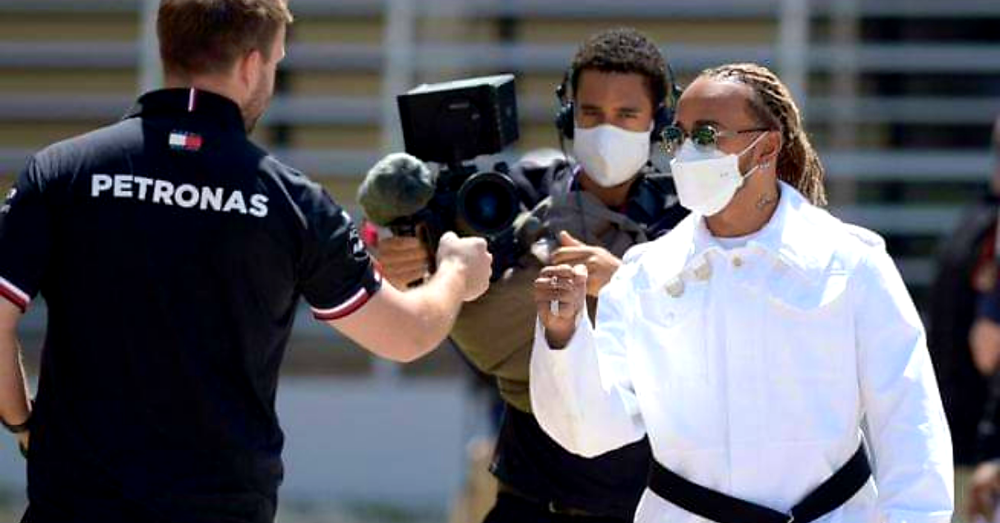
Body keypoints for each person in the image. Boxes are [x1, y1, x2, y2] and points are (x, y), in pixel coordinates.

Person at [0, 1, 492, 522]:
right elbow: (407, 334)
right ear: (251, 65)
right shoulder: (290, 200)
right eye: (276, 63)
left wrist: (22, 422)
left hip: (72, 504)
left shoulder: (62, 172)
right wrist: (457, 272)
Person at [531, 62, 953, 523]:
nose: (689, 152)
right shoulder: (643, 276)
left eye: (708, 135)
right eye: (678, 137)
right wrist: (563, 336)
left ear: (767, 146)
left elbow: (910, 420)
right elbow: (593, 431)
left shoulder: (851, 265)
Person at [371, 28, 687, 522]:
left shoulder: (687, 215)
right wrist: (404, 256)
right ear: (568, 115)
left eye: (627, 115)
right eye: (590, 113)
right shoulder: (519, 190)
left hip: (644, 505)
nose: (607, 129)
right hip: (531, 500)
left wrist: (623, 279)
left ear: (658, 121)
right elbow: (432, 254)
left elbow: (704, 333)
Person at [929, 115, 1000, 521]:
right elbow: (987, 348)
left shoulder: (972, 221)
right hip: (977, 448)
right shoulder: (986, 230)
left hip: (958, 439)